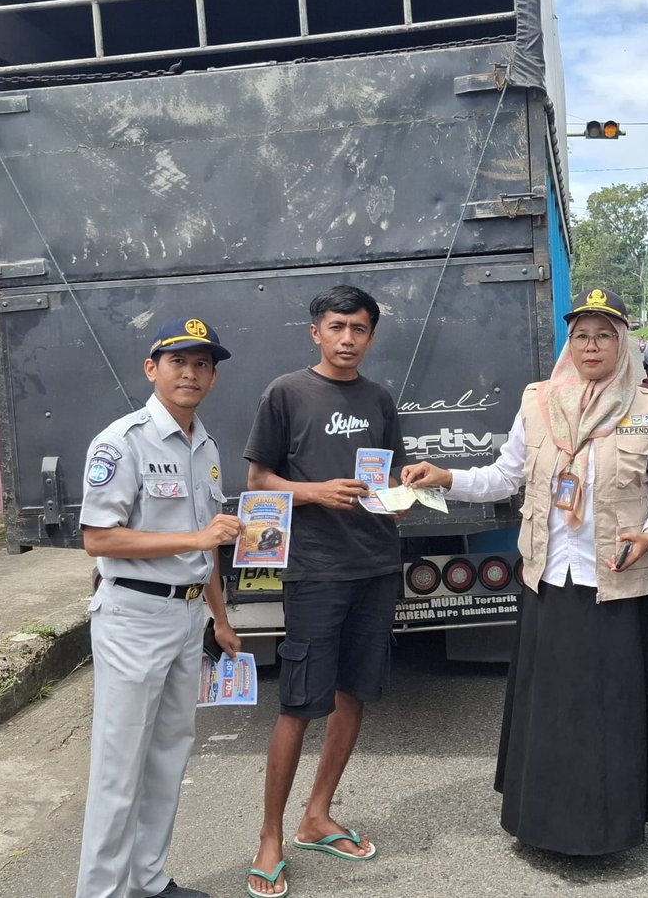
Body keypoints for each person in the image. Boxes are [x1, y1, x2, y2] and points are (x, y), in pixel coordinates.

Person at [402, 287, 648, 856]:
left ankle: (611, 828)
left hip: (615, 581)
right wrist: (446, 478)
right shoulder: (537, 403)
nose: (592, 345)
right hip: (551, 581)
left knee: (611, 707)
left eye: (605, 335)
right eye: (582, 334)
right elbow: (504, 477)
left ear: (622, 343)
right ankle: (546, 825)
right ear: (570, 342)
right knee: (553, 709)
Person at [242, 284, 404, 898]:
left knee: (354, 693)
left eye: (358, 329)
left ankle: (318, 814)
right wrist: (315, 492)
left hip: (375, 565)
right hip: (314, 569)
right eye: (336, 327)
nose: (346, 339)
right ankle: (269, 838)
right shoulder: (286, 393)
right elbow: (258, 481)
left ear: (370, 335)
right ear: (316, 331)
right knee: (299, 705)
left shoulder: (380, 398)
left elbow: (386, 478)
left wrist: (401, 497)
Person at [76, 317, 244, 898]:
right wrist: (196, 539)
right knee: (119, 769)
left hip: (186, 617)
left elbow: (212, 548)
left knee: (170, 754)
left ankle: (149, 880)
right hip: (133, 618)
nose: (191, 374)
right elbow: (99, 538)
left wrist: (220, 619)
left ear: (214, 377)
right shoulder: (121, 442)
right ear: (152, 369)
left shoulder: (207, 446)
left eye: (203, 364)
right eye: (179, 362)